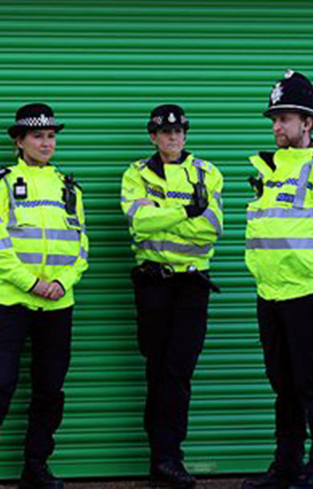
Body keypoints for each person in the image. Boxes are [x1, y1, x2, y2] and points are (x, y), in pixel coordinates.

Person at [242, 71, 313, 489]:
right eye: (274, 118)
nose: (277, 126)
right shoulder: (270, 171)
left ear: (307, 123)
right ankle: (286, 466)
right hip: (270, 296)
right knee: (284, 388)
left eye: (285, 118)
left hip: (309, 296)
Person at [0, 103, 89, 489]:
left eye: (51, 136)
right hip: (9, 302)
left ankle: (36, 465)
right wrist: (32, 284)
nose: (46, 143)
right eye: (37, 136)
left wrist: (62, 283)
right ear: (19, 141)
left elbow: (81, 246)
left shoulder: (68, 186)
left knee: (49, 390)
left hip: (58, 304)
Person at [120, 104, 224, 489]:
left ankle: (170, 456)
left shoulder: (206, 172)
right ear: (153, 137)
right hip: (153, 283)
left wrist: (162, 213)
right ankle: (160, 459)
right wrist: (186, 210)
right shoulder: (136, 173)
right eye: (165, 132)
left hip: (192, 285)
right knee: (157, 370)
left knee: (178, 371)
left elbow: (211, 228)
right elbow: (138, 223)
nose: (173, 137)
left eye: (179, 131)